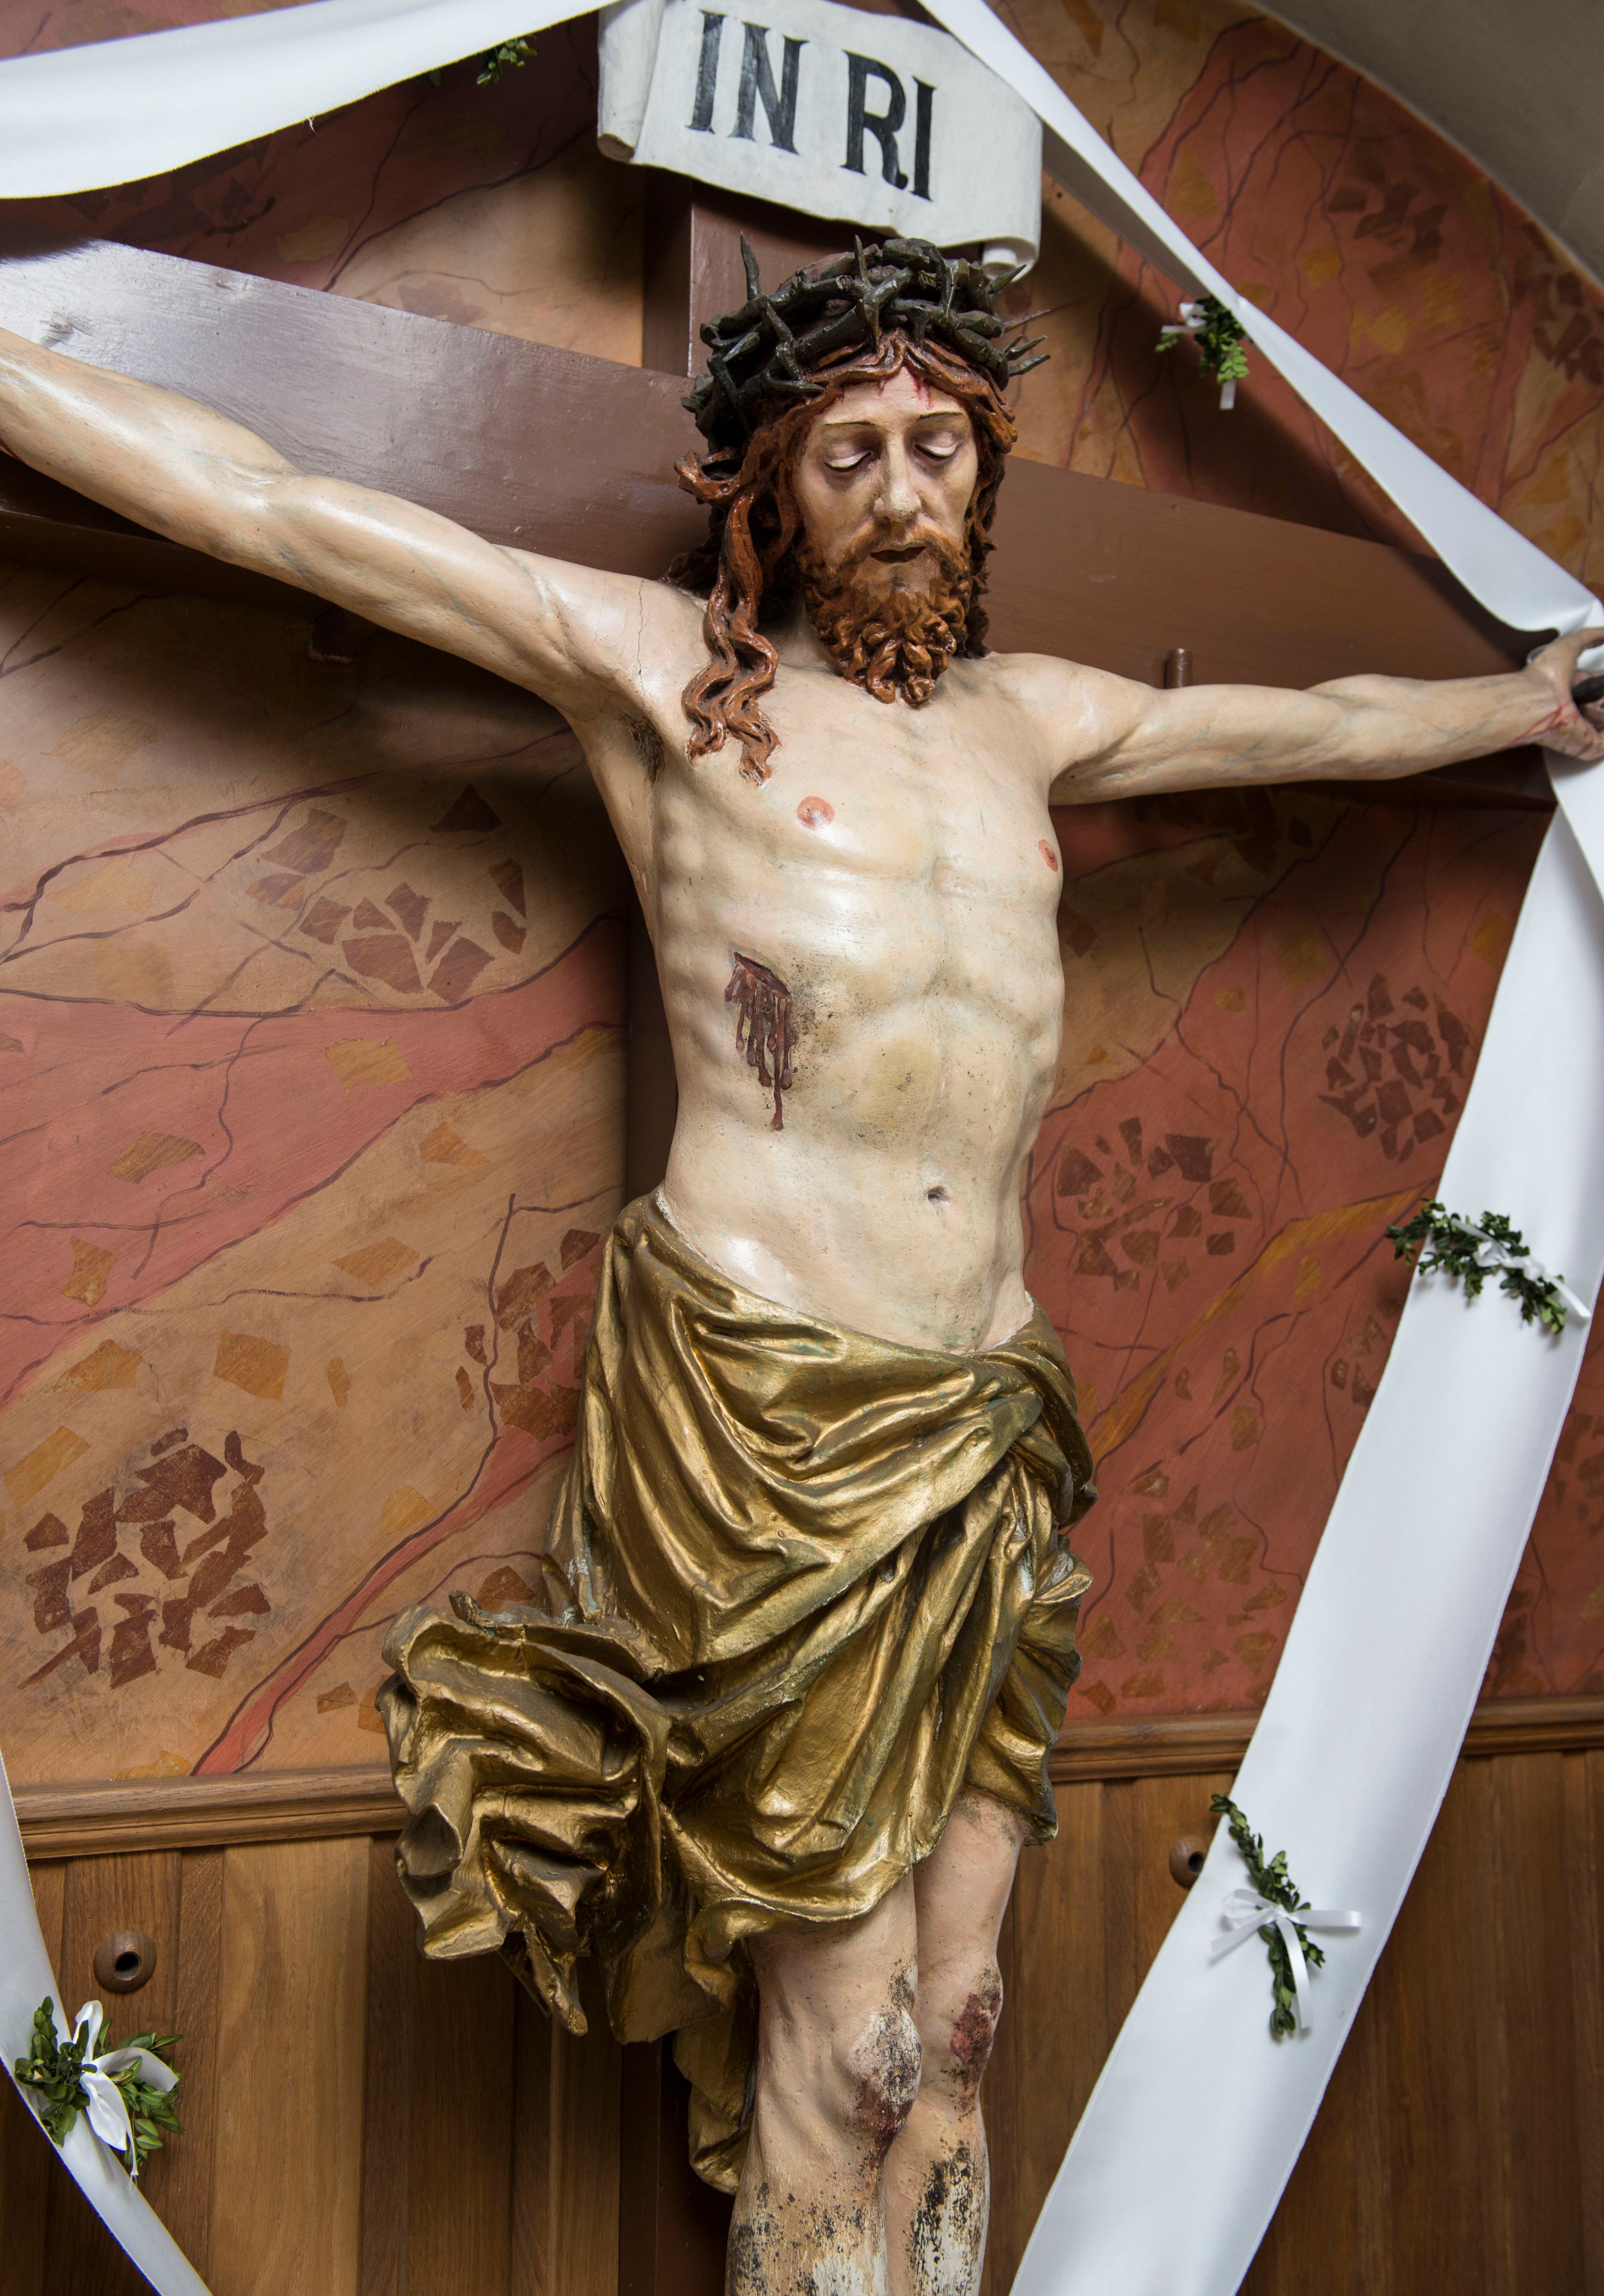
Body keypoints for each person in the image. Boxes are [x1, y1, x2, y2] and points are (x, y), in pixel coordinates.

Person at [2, 238, 1598, 2296]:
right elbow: (269, 503)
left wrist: (1525, 704)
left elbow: (1319, 724)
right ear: (774, 490)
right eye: (852, 455)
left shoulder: (1031, 723)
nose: (905, 491)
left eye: (939, 448)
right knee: (846, 2053)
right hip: (771, 1422)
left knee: (960, 2028)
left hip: (988, 1421)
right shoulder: (657, 673)